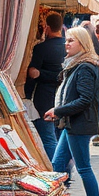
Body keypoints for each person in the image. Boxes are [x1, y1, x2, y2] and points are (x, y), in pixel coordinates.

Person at [46, 26, 99, 196]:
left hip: (79, 124)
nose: (66, 43)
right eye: (66, 40)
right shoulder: (77, 65)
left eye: (71, 40)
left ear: (82, 44)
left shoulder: (85, 66)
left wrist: (58, 111)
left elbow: (85, 100)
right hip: (71, 124)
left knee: (83, 168)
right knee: (57, 164)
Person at [24, 13, 65, 160]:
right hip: (65, 98)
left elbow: (33, 75)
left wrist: (27, 96)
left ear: (47, 27)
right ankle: (64, 168)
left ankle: (57, 170)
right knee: (61, 137)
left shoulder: (41, 48)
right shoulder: (69, 46)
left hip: (45, 98)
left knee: (48, 137)